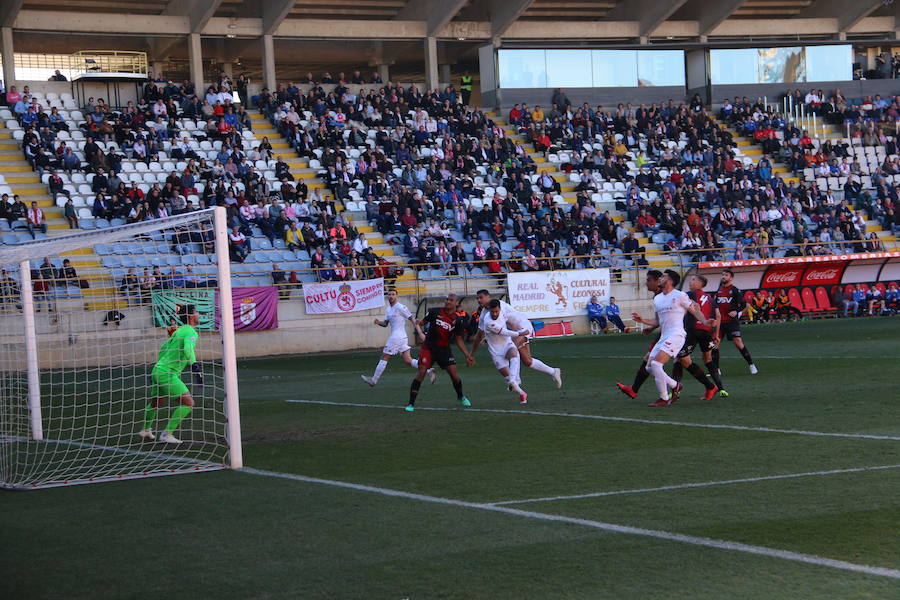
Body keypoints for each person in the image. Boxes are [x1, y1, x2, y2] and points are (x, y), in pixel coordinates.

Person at [631, 269, 714, 407]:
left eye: (663, 277)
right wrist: (643, 320)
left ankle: (664, 397)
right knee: (650, 367)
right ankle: (675, 385)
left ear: (669, 281)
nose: (660, 279)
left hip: (677, 335)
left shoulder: (680, 295)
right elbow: (658, 321)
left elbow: (694, 310)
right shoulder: (657, 299)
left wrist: (705, 322)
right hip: (664, 336)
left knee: (657, 364)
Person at [137, 304, 201, 444]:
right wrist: (195, 366)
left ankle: (146, 430)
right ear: (191, 316)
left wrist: (158, 369)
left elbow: (163, 348)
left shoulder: (178, 331)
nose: (198, 314)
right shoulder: (190, 331)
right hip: (167, 373)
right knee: (188, 403)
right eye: (196, 312)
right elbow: (188, 349)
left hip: (158, 370)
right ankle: (167, 434)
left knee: (156, 402)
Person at [474, 289, 562, 388]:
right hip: (514, 332)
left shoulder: (499, 306)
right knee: (527, 361)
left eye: (481, 297)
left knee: (512, 348)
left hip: (523, 327)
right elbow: (485, 330)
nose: (479, 300)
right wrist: (485, 340)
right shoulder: (484, 314)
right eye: (477, 298)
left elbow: (506, 322)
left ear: (488, 297)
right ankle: (554, 371)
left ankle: (516, 379)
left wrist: (517, 331)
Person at [406, 294, 472, 412]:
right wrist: (418, 324)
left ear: (456, 303)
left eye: (451, 300)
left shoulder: (457, 320)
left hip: (444, 350)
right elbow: (421, 322)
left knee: (454, 376)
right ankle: (411, 404)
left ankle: (461, 396)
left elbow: (458, 339)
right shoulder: (434, 312)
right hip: (429, 348)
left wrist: (467, 355)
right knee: (421, 372)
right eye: (447, 299)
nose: (448, 301)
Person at [362, 289, 435, 387]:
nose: (391, 296)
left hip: (397, 337)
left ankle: (373, 380)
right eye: (389, 294)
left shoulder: (401, 307)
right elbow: (385, 323)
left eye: (393, 294)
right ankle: (429, 371)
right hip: (400, 337)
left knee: (384, 357)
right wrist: (379, 322)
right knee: (408, 360)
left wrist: (420, 333)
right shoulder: (388, 309)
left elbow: (412, 319)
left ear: (397, 296)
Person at [672, 274, 725, 400]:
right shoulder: (710, 298)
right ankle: (722, 389)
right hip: (706, 332)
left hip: (692, 331)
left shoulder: (689, 295)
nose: (690, 282)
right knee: (708, 359)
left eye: (693, 280)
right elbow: (718, 316)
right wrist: (716, 335)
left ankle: (674, 391)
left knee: (679, 358)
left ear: (701, 283)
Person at [470, 298, 529, 404]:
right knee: (508, 378)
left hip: (507, 344)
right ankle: (522, 394)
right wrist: (520, 333)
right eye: (492, 311)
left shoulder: (502, 313)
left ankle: (515, 380)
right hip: (496, 351)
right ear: (489, 310)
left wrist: (517, 327)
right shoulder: (488, 321)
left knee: (514, 354)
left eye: (496, 311)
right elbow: (503, 332)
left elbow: (508, 323)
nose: (494, 314)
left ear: (499, 309)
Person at [714, 269, 757, 374]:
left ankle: (751, 365)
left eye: (726, 275)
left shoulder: (735, 290)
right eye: (722, 275)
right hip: (720, 322)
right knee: (715, 344)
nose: (723, 276)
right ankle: (716, 370)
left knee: (738, 342)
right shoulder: (719, 291)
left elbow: (743, 304)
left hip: (731, 322)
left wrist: (736, 311)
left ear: (731, 278)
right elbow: (715, 305)